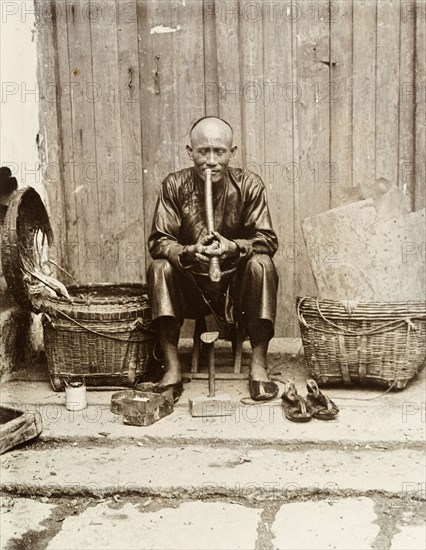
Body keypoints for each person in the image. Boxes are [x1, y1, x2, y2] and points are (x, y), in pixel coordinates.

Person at [147, 116, 279, 402]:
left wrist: (233, 247)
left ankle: (259, 367)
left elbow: (267, 240)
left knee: (262, 264)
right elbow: (159, 241)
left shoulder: (250, 185)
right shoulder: (173, 185)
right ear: (189, 151)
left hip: (235, 289)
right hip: (191, 285)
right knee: (159, 268)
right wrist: (189, 250)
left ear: (232, 152)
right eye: (202, 151)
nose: (211, 160)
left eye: (218, 151)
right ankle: (171, 370)